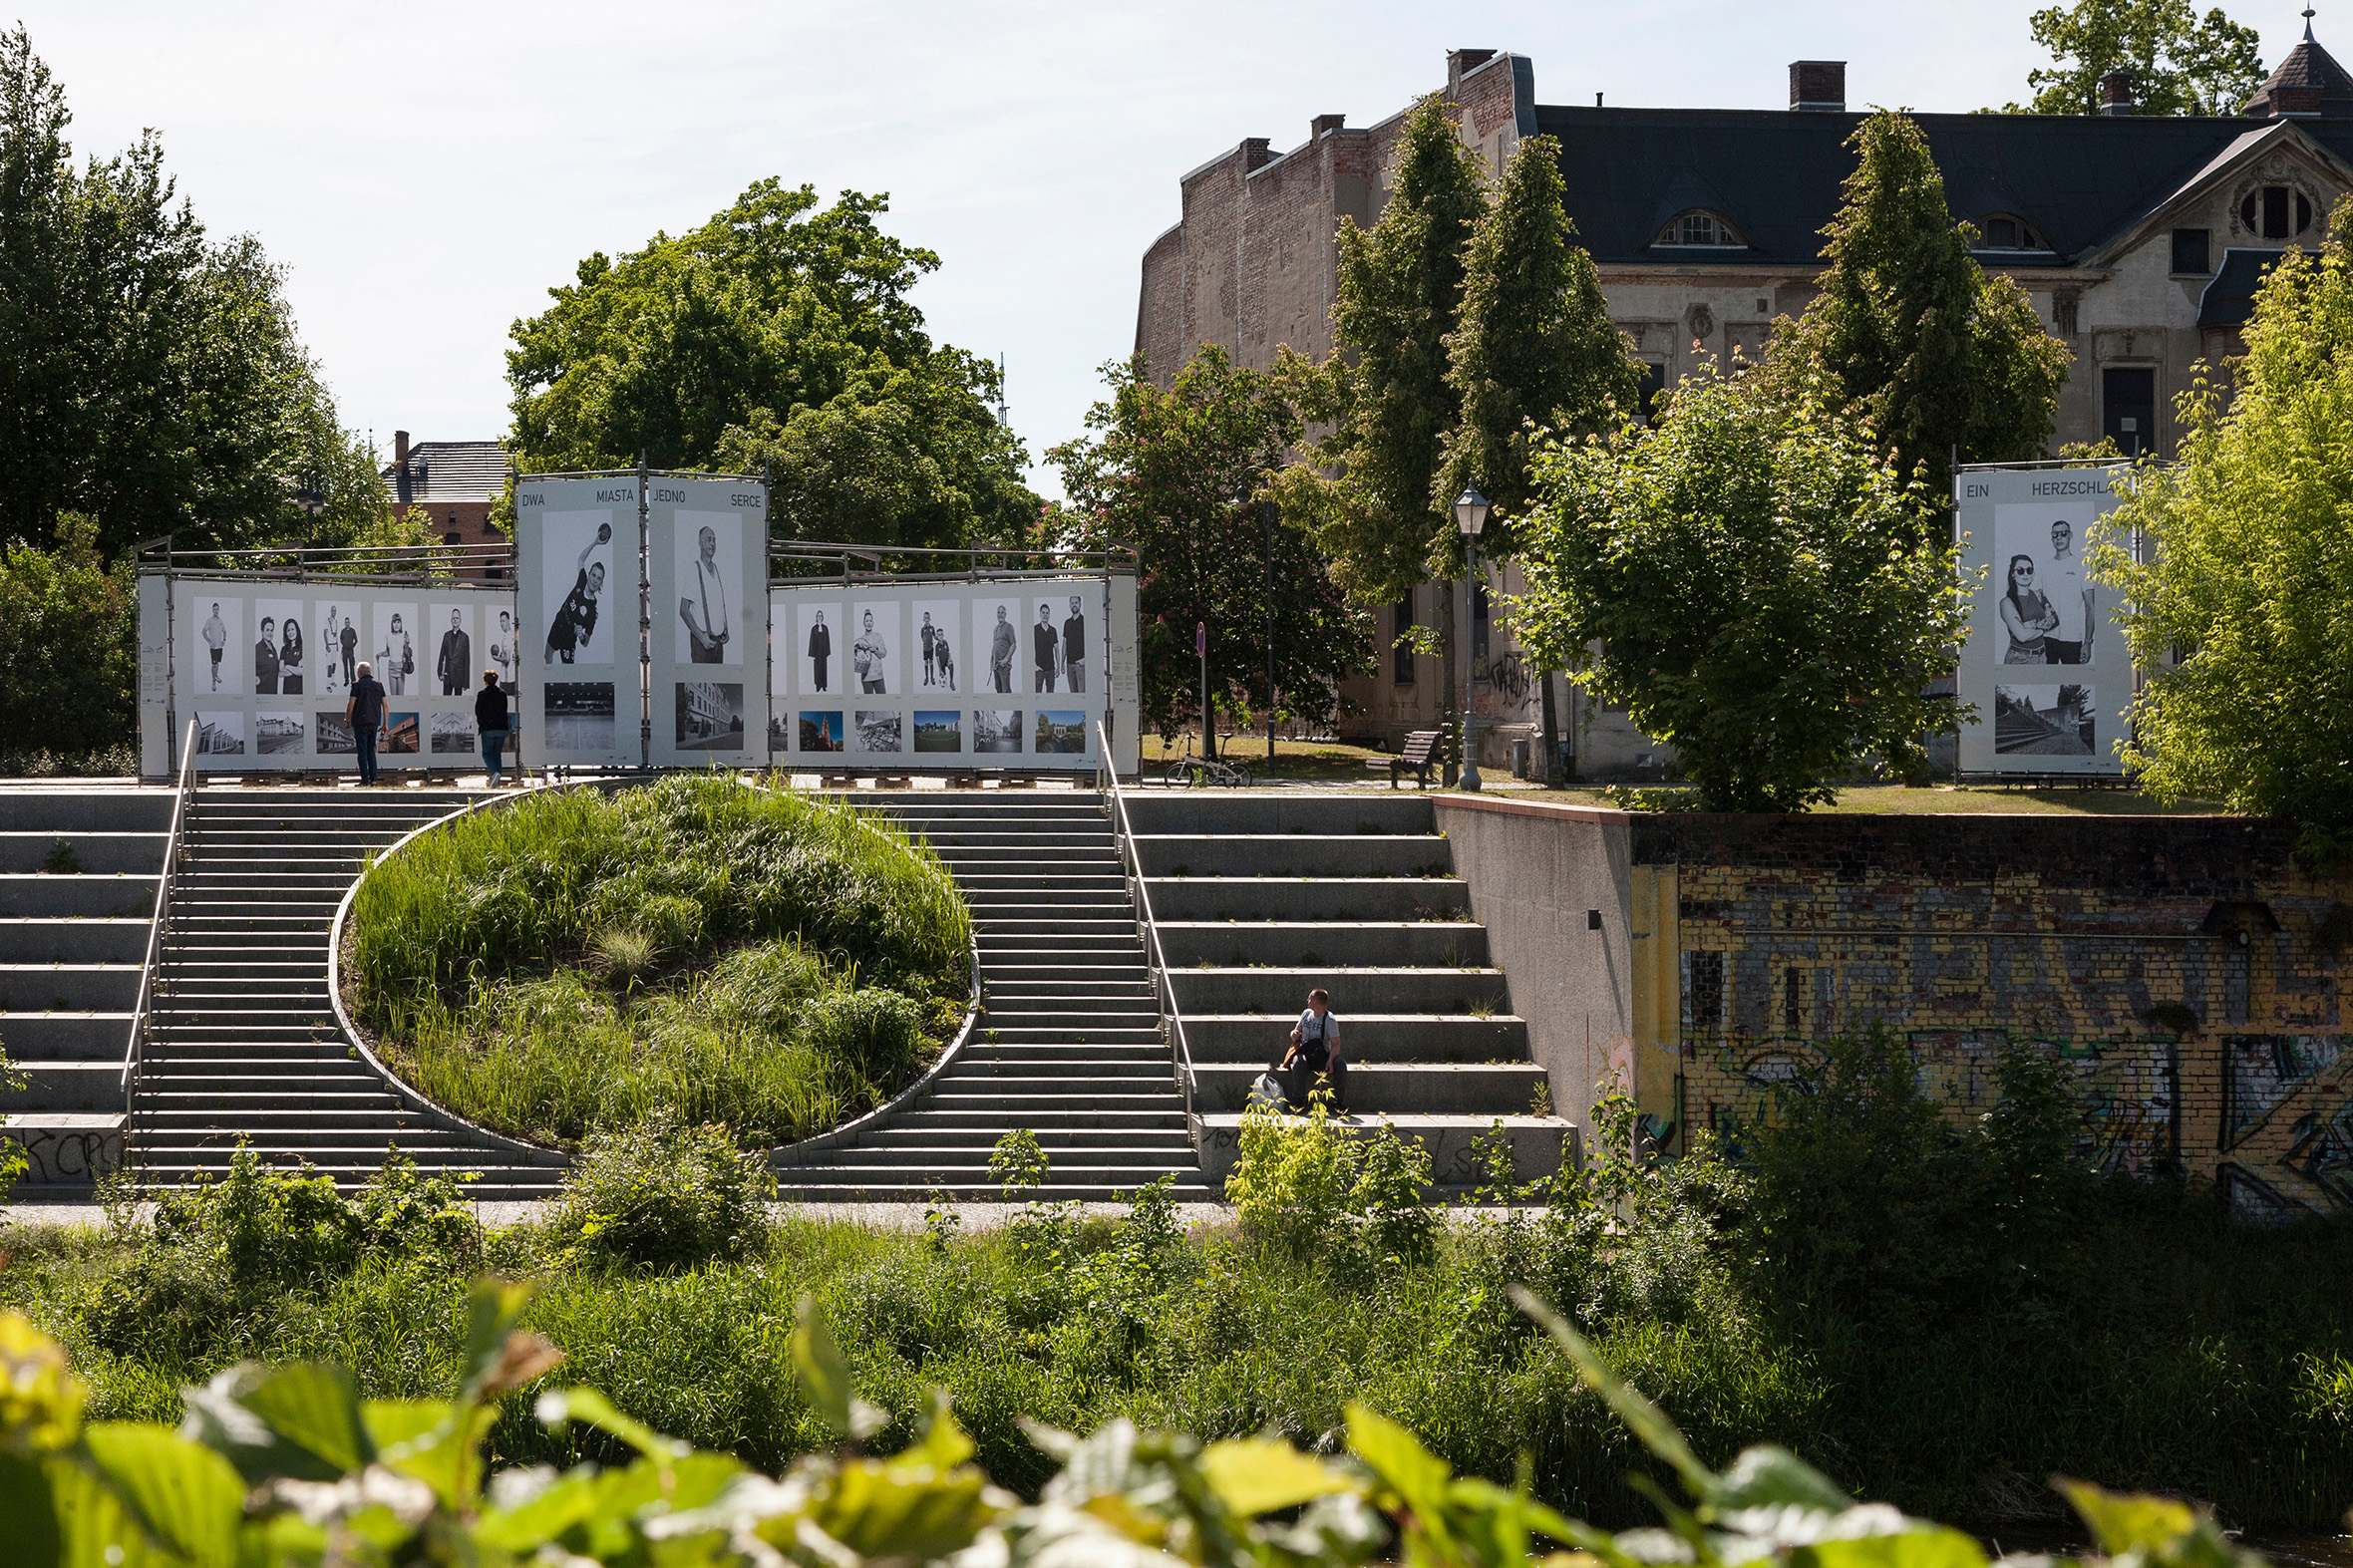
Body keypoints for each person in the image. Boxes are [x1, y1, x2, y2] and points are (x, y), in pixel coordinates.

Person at [545, 526, 610, 663]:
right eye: (593, 575)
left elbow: (585, 642)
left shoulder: (592, 611)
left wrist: (581, 636)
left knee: (568, 670)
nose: (594, 580)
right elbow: (581, 559)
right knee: (547, 656)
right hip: (558, 624)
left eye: (599, 578)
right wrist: (595, 543)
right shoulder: (581, 581)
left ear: (601, 583)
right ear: (589, 575)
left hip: (569, 638)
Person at [1279, 988, 1346, 1112]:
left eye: (1310, 998)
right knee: (1299, 1063)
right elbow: (1296, 1030)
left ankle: (1338, 1102)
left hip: (1322, 1054)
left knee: (1340, 1064)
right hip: (1305, 1051)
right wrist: (1294, 1034)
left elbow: (1336, 1043)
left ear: (1317, 1002)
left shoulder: (1330, 1020)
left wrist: (1331, 1060)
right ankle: (1298, 1101)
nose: (1307, 1000)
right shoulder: (1306, 1013)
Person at [2043, 519, 2092, 664]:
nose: (2059, 538)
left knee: (2072, 684)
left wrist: (2087, 642)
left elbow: (2090, 607)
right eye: (2055, 535)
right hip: (2047, 639)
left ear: (2070, 535)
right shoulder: (2045, 567)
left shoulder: (2082, 566)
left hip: (2072, 639)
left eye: (2063, 534)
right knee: (2047, 684)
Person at [682, 524, 730, 663]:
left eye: (714, 540)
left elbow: (719, 602)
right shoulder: (694, 570)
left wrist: (725, 628)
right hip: (702, 644)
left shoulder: (716, 569)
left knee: (718, 684)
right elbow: (684, 610)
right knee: (702, 684)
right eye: (709, 539)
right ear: (700, 543)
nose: (713, 544)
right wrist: (701, 637)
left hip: (718, 642)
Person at [1999, 554, 2057, 664]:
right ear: (2012, 574)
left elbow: (2055, 620)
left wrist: (2032, 624)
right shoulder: (2007, 602)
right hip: (2019, 659)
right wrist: (2043, 628)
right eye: (2020, 570)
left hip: (2042, 657)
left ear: (2033, 574)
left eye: (2029, 570)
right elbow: (2022, 636)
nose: (2025, 574)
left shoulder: (2039, 595)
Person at [346, 660, 386, 785]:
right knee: (371, 751)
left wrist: (347, 719)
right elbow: (385, 705)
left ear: (359, 672)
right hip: (374, 722)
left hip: (360, 722)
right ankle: (373, 779)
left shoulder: (357, 685)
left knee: (362, 752)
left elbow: (351, 704)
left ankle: (364, 780)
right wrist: (385, 723)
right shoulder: (379, 685)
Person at [476, 669, 511, 786]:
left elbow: (478, 711)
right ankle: (497, 782)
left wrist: (481, 723)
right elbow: (504, 710)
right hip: (501, 728)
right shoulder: (502, 693)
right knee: (497, 755)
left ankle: (494, 773)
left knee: (486, 754)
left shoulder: (482, 694)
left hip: (488, 728)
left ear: (485, 681)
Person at [853, 610, 889, 694]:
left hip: (878, 676)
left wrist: (876, 649)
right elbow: (858, 657)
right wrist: (858, 649)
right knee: (868, 705)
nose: (869, 623)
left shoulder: (878, 636)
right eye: (867, 621)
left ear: (873, 622)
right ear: (863, 623)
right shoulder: (861, 640)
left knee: (883, 703)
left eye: (870, 621)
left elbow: (884, 653)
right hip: (866, 678)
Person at [437, 609, 472, 696]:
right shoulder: (446, 635)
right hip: (447, 675)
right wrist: (439, 672)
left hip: (459, 676)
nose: (455, 620)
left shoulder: (465, 637)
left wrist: (466, 682)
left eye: (457, 618)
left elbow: (467, 660)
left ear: (460, 620)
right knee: (446, 704)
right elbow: (441, 655)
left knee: (458, 705)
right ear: (451, 620)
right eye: (453, 618)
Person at [380, 613, 414, 696]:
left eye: (398, 622)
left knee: (400, 695)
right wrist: (380, 654)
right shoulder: (388, 636)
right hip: (391, 668)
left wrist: (407, 643)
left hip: (401, 668)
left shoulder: (403, 637)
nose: (396, 624)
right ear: (391, 624)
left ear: (401, 624)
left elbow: (407, 652)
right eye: (394, 622)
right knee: (393, 695)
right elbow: (388, 652)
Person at [1062, 594, 1087, 693]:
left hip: (1080, 665)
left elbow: (1089, 641)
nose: (1074, 605)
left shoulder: (1084, 621)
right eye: (1072, 603)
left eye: (1076, 602)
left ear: (1080, 604)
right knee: (1073, 695)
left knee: (1082, 694)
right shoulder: (1067, 623)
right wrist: (1062, 663)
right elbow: (1065, 643)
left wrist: (1085, 659)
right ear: (1069, 605)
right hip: (1069, 665)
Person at [1032, 603, 1059, 693]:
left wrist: (1058, 667)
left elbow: (1057, 650)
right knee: (1037, 697)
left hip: (1051, 670)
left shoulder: (1053, 630)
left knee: (1050, 698)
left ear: (1049, 614)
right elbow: (1029, 649)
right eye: (1043, 612)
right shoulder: (1034, 629)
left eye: (1047, 613)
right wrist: (1033, 665)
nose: (1045, 615)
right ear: (1040, 614)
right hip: (1039, 670)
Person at [989, 605, 1016, 693]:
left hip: (1004, 666)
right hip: (996, 666)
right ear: (997, 614)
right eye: (999, 612)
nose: (1000, 615)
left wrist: (1006, 659)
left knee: (1006, 691)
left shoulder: (1009, 627)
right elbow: (995, 646)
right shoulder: (995, 629)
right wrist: (992, 662)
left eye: (1002, 612)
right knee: (998, 690)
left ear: (1005, 614)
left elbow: (1013, 644)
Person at [807, 609, 832, 692]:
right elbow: (811, 641)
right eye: (818, 616)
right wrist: (812, 653)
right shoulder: (813, 629)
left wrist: (828, 652)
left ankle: (824, 685)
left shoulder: (825, 628)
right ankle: (818, 685)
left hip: (824, 652)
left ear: (822, 618)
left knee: (824, 668)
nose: (819, 617)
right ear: (816, 618)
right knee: (817, 669)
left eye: (821, 616)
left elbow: (828, 640)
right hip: (817, 653)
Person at [203, 603, 226, 691]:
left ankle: (216, 676)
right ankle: (213, 682)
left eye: (217, 609)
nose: (216, 611)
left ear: (219, 610)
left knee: (217, 663)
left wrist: (224, 640)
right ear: (212, 610)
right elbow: (204, 631)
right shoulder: (210, 621)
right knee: (213, 665)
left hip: (219, 647)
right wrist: (209, 641)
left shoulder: (221, 621)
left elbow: (224, 631)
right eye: (215, 609)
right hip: (213, 647)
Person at [490, 609, 515, 688]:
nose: (501, 624)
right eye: (500, 621)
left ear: (508, 621)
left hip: (506, 679)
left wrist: (496, 658)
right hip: (512, 677)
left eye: (503, 621)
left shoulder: (507, 637)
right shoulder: (512, 635)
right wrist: (502, 655)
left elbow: (507, 659)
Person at [254, 618, 279, 696]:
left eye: (271, 630)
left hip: (273, 694)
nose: (270, 633)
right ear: (262, 631)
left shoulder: (273, 649)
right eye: (267, 630)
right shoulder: (257, 649)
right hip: (261, 695)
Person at [278, 616, 303, 695]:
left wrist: (287, 667)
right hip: (287, 690)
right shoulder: (284, 649)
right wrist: (296, 669)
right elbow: (281, 673)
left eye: (292, 629)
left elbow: (302, 671)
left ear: (297, 630)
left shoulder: (302, 647)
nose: (290, 632)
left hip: (299, 689)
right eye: (288, 630)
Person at [338, 611, 359, 687]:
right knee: (345, 667)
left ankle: (353, 681)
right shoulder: (342, 631)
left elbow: (356, 640)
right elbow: (340, 639)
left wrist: (352, 646)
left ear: (349, 623)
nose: (347, 623)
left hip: (350, 651)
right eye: (345, 622)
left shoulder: (352, 631)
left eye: (348, 622)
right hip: (344, 651)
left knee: (351, 666)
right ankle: (346, 680)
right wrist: (344, 644)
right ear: (344, 623)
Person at [919, 612, 938, 687]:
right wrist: (925, 642)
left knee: (931, 662)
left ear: (930, 619)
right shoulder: (922, 629)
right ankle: (926, 677)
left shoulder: (932, 628)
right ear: (923, 619)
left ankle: (932, 677)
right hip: (925, 649)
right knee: (926, 662)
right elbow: (922, 638)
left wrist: (939, 639)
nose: (927, 619)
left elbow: (934, 636)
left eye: (928, 618)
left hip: (931, 648)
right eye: (925, 618)